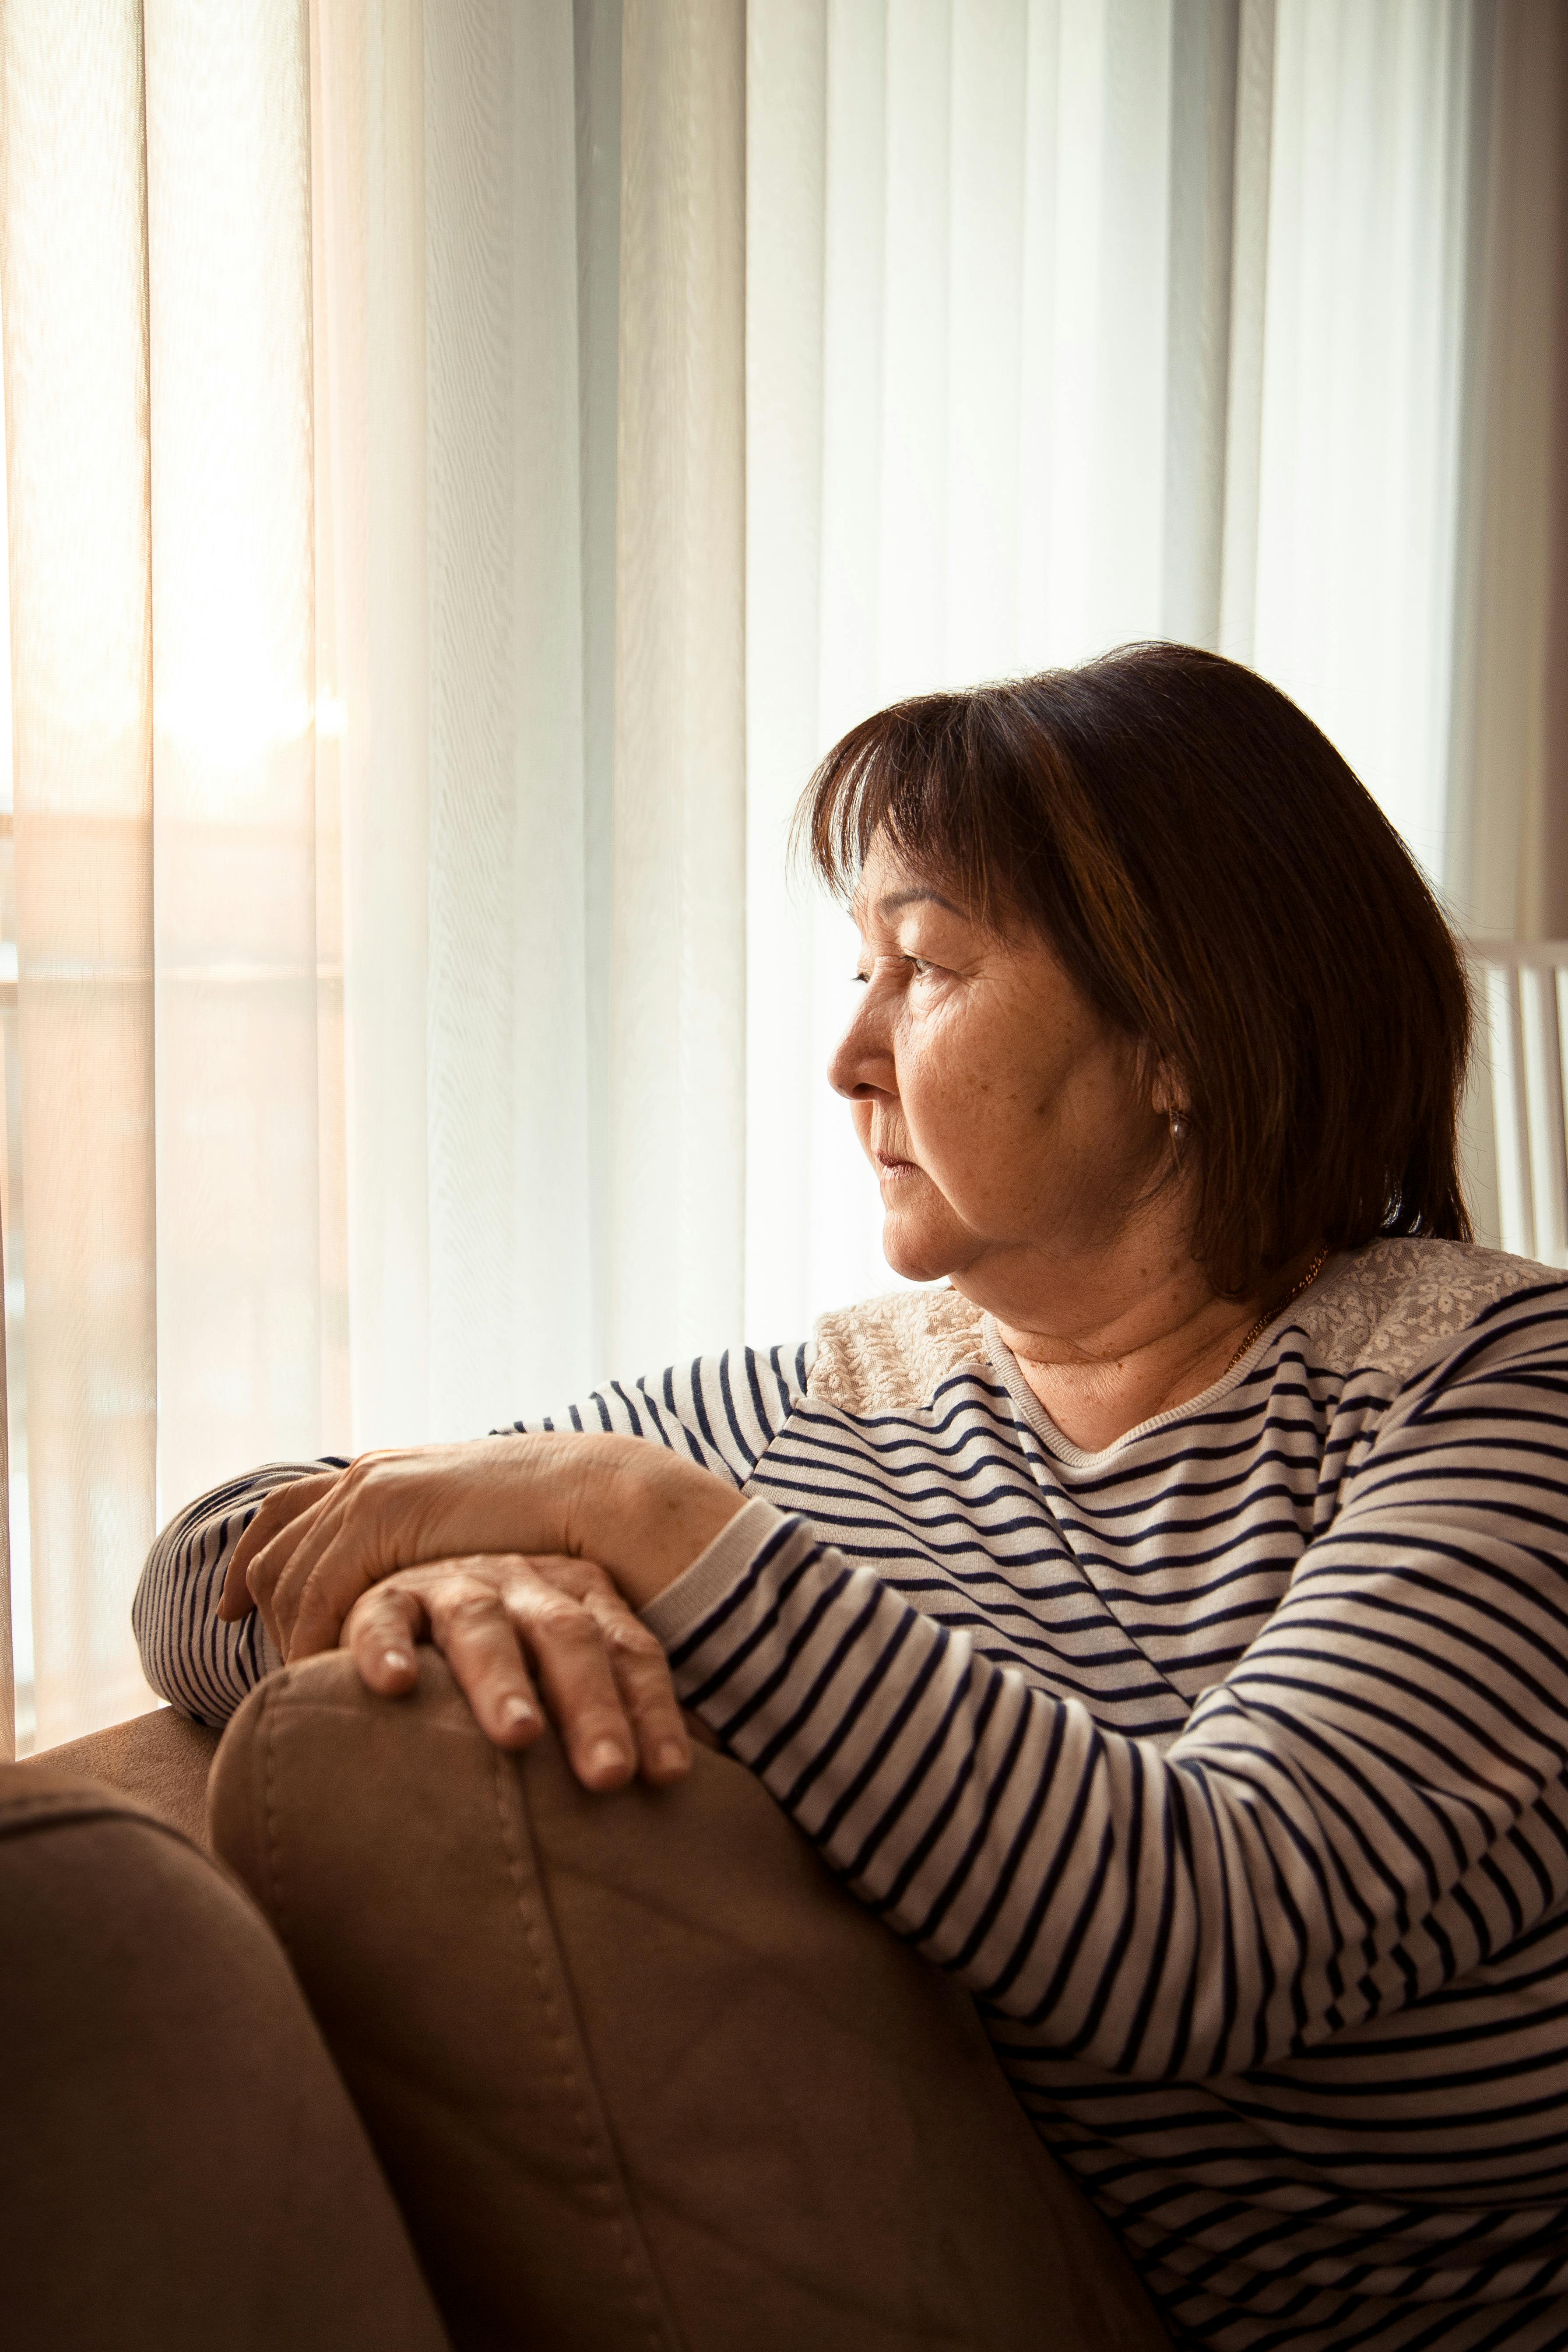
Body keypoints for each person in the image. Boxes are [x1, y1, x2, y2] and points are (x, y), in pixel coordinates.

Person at [136, 642, 1568, 2352]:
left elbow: (1205, 1927)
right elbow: (206, 1571)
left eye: (922, 967)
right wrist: (424, 1581)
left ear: (1184, 1033)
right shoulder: (818, 1421)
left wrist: (627, 1516)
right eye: (855, 966)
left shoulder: (1493, 1390)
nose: (845, 1056)